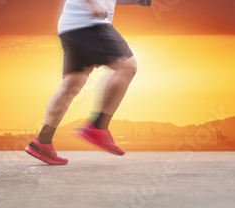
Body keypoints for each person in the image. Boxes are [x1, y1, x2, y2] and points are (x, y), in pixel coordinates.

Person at [25, 0, 152, 165]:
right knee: (128, 66)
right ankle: (99, 126)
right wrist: (93, 4)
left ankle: (42, 141)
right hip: (89, 24)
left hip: (71, 27)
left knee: (70, 87)